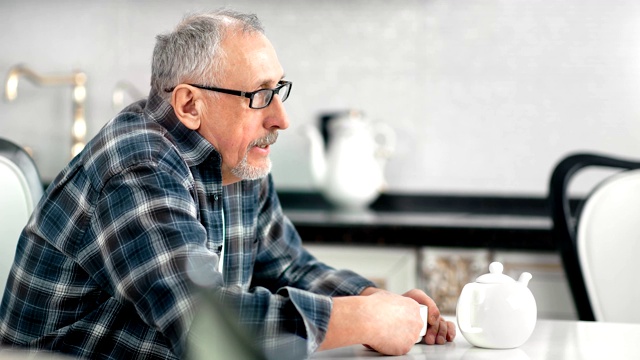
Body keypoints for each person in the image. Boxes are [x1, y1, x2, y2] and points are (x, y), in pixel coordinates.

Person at [0, 9, 455, 359]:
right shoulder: (138, 164)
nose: (280, 118)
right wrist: (358, 320)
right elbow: (209, 329)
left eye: (278, 91)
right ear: (190, 105)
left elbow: (289, 265)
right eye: (259, 96)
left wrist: (370, 298)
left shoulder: (237, 157)